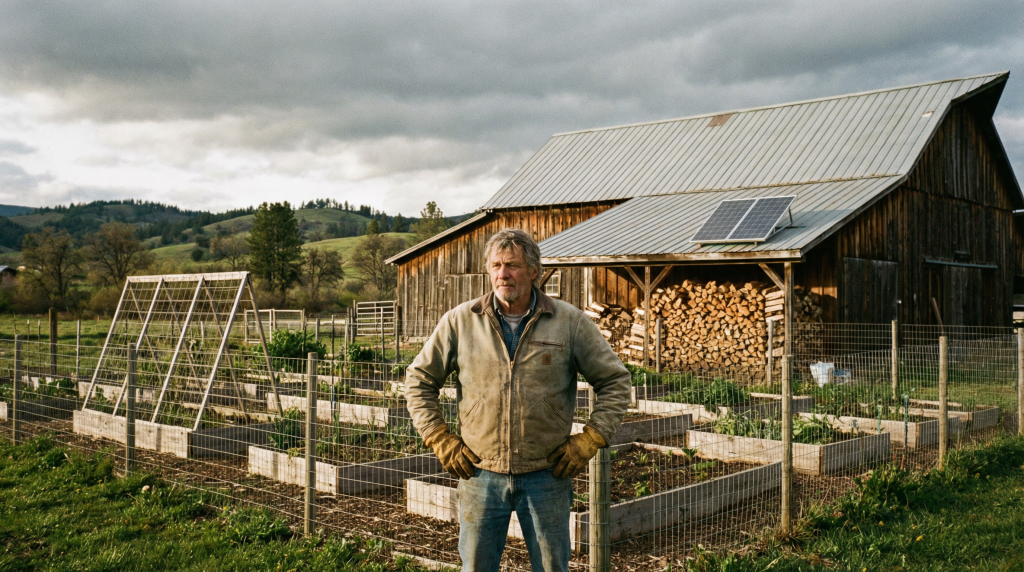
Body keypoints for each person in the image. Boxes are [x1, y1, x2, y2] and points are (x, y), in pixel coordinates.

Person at [405, 228, 631, 572]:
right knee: (477, 567)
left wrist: (591, 439)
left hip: (547, 474)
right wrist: (439, 437)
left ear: (534, 271)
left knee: (552, 567)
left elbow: (615, 380)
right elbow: (419, 380)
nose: (502, 274)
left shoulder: (567, 322)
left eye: (511, 265)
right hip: (480, 473)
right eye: (495, 265)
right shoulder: (462, 321)